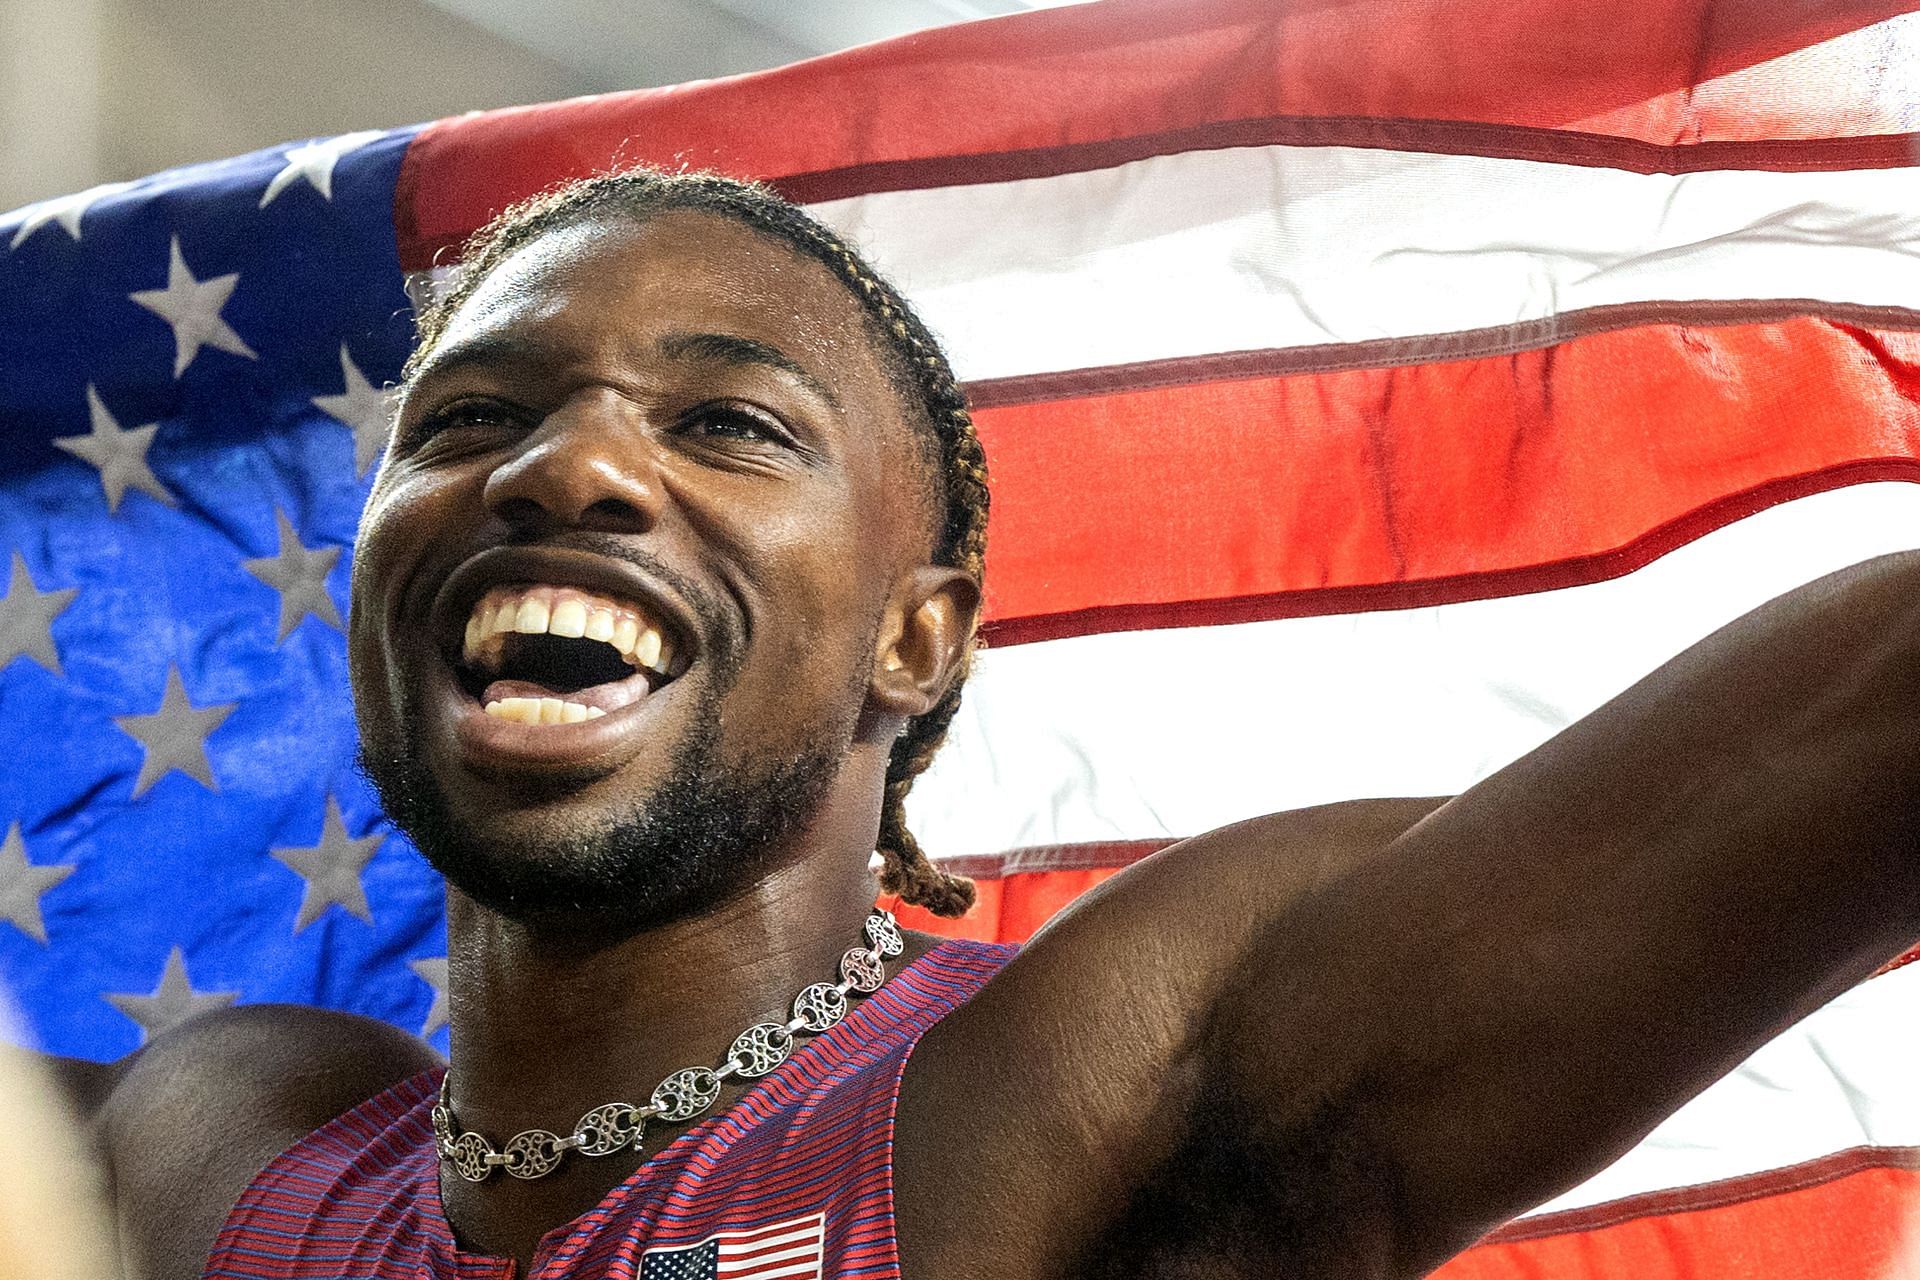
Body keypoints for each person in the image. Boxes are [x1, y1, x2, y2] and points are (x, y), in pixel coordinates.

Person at [50, 167, 1920, 1280]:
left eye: (730, 425)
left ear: (914, 642)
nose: (573, 464)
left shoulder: (1084, 1088)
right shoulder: (223, 1139)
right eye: (466, 421)